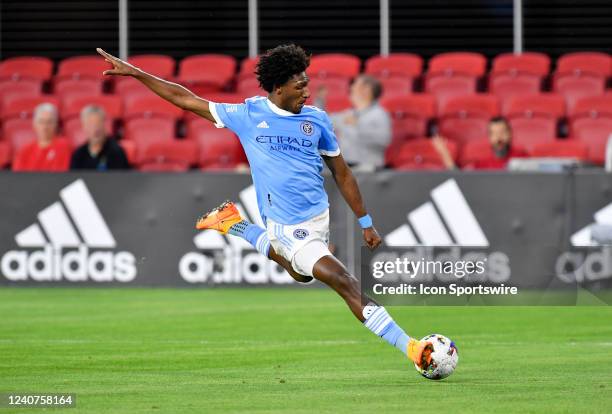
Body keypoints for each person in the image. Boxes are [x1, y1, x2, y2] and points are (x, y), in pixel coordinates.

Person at [96, 45, 433, 370]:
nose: (306, 92)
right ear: (278, 87)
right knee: (345, 282)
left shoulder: (316, 120)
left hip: (318, 218)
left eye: (307, 84)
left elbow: (341, 172)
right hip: (287, 226)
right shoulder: (248, 114)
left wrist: (365, 221)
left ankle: (234, 224)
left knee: (299, 274)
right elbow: (185, 99)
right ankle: (412, 347)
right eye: (299, 86)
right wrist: (135, 72)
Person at [320, 75, 391, 171]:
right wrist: (320, 101)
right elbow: (325, 121)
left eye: (355, 85)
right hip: (346, 168)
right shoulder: (349, 113)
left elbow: (384, 140)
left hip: (369, 170)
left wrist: (359, 125)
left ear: (366, 89)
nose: (351, 88)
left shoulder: (379, 114)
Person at [432, 116, 527, 170]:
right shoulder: (481, 164)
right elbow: (460, 180)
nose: (499, 138)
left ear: (510, 134)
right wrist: (445, 154)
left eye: (502, 132)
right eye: (493, 134)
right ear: (489, 137)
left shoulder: (522, 158)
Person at [12, 103, 71, 172]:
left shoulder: (64, 146)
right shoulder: (24, 151)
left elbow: (62, 175)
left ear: (56, 124)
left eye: (49, 122)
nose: (45, 127)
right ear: (34, 124)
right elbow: (17, 177)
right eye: (41, 122)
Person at [70, 105, 130, 170]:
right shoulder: (79, 154)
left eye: (99, 124)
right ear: (84, 126)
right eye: (91, 125)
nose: (96, 129)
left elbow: (122, 178)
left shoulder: (116, 152)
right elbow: (74, 178)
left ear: (104, 125)